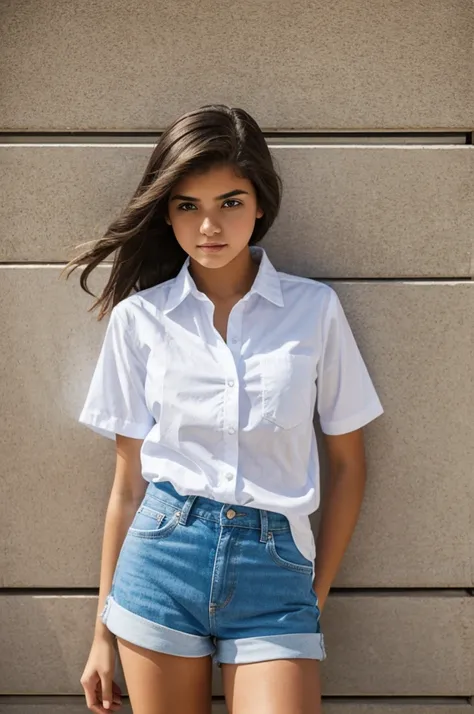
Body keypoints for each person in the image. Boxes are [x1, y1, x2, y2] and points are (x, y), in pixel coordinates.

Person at [63, 104, 384, 714]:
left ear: (260, 204)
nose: (209, 225)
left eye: (230, 202)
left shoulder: (314, 311)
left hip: (276, 567)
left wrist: (311, 599)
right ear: (167, 211)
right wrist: (102, 632)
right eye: (188, 205)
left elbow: (347, 463)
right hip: (162, 556)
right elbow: (127, 485)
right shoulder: (140, 320)